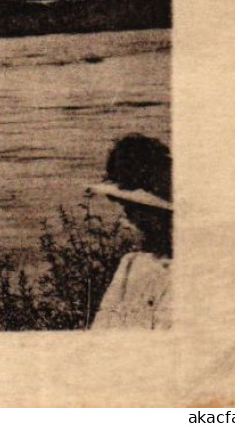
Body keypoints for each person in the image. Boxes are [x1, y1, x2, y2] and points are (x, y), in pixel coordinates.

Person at [89, 133, 171, 329]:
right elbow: (99, 329)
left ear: (157, 215)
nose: (124, 222)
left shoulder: (179, 277)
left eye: (132, 212)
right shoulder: (130, 265)